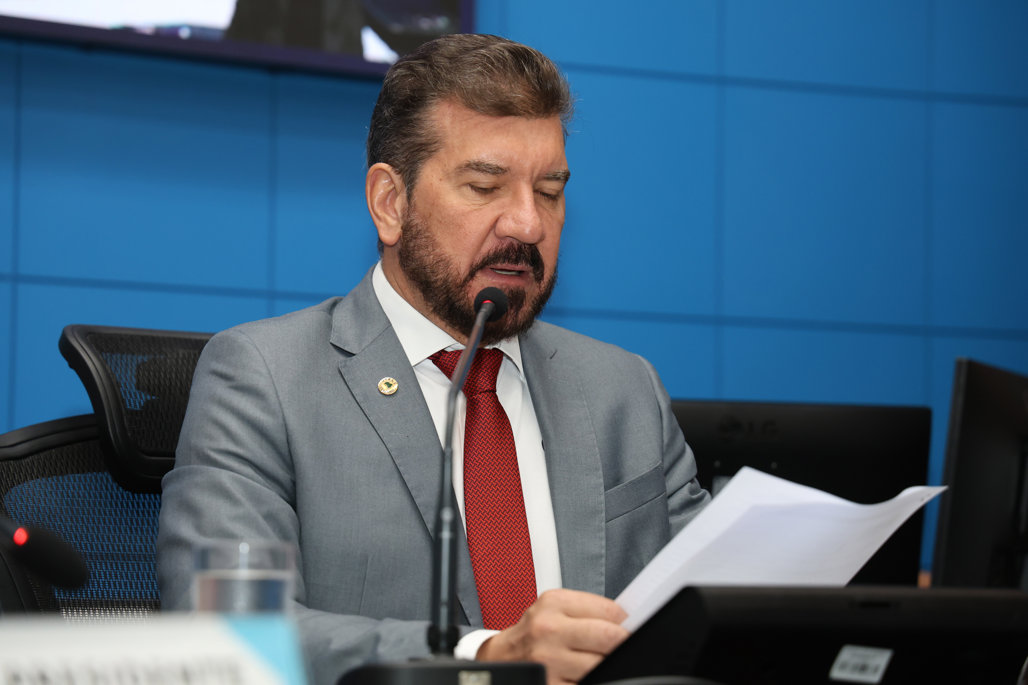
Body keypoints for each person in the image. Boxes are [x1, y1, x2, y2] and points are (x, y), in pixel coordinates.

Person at [157, 33, 710, 685]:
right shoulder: (264, 378)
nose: (528, 224)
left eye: (549, 190)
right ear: (390, 203)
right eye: (485, 186)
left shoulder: (624, 389)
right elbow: (228, 634)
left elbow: (718, 605)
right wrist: (481, 660)